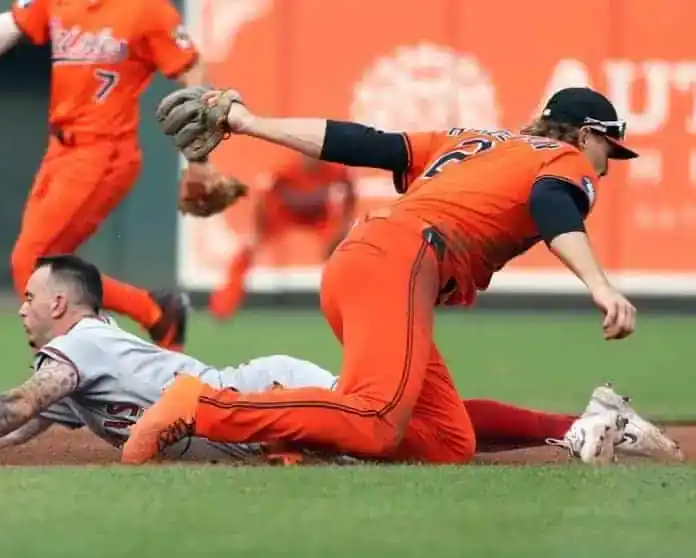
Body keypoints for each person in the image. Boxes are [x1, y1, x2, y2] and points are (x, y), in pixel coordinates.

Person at [123, 86, 642, 465]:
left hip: (370, 261)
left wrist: (247, 121)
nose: (606, 166)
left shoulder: (473, 141)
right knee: (375, 420)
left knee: (446, 440)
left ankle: (296, 434)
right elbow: (552, 204)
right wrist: (599, 285)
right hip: (401, 259)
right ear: (587, 134)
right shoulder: (565, 159)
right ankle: (204, 405)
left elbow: (362, 143)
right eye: (609, 151)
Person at [0, 255, 679, 465]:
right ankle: (580, 424)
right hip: (246, 416)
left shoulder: (78, 343)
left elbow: (16, 403)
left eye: (30, 295)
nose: (20, 305)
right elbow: (23, 423)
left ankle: (582, 423)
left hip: (264, 396)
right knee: (415, 436)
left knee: (412, 435)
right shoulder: (76, 353)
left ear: (62, 304)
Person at [0, 0, 214, 350]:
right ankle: (154, 313)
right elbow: (10, 24)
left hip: (105, 151)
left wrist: (199, 156)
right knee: (48, 267)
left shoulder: (146, 8)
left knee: (31, 264)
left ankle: (84, 362)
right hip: (60, 150)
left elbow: (194, 72)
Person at [209, 155, 357, 320]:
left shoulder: (334, 170)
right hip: (286, 214)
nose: (311, 159)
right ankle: (223, 305)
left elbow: (350, 192)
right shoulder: (286, 172)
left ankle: (349, 305)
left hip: (318, 216)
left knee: (344, 252)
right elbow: (264, 198)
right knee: (246, 253)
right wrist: (258, 231)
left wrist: (343, 227)